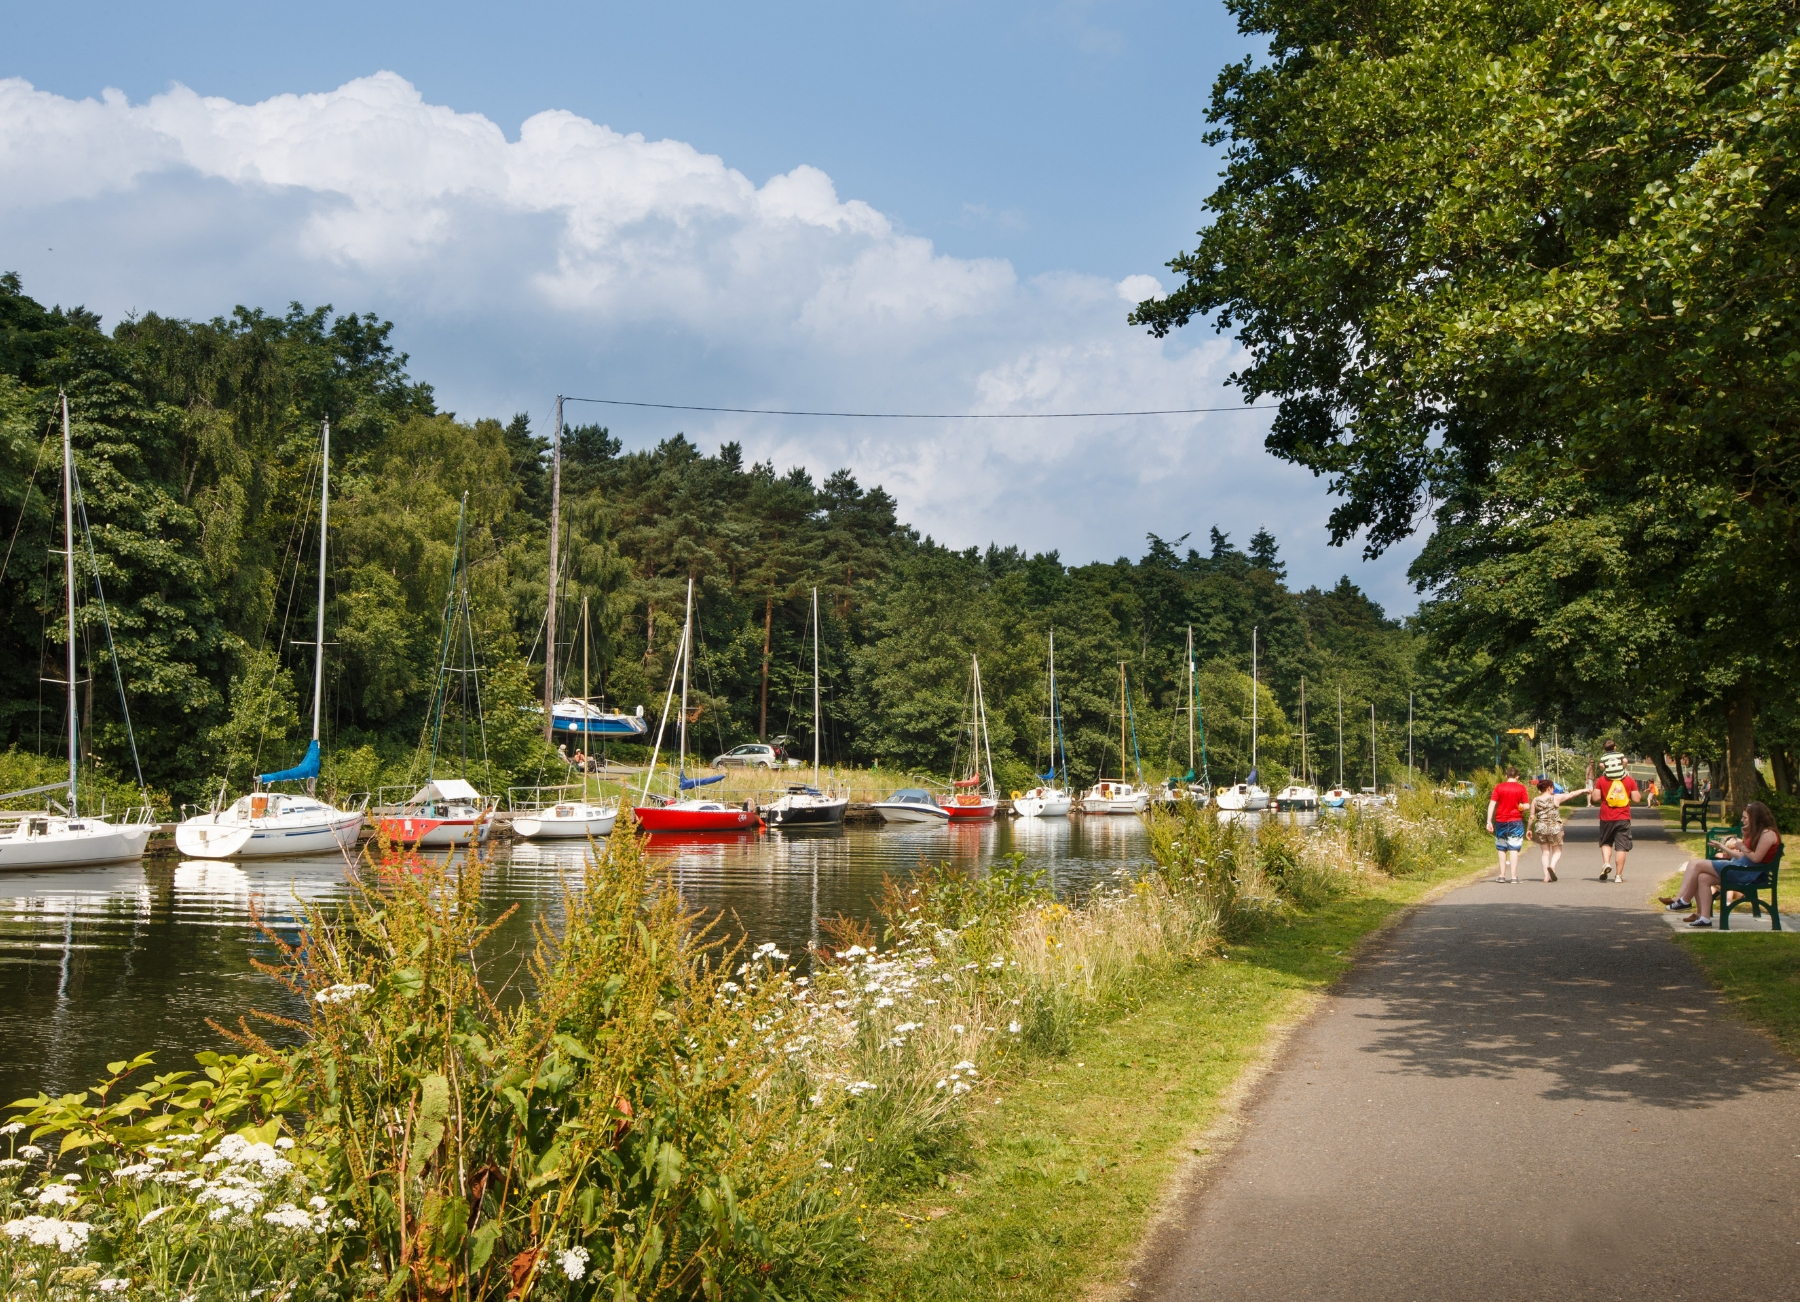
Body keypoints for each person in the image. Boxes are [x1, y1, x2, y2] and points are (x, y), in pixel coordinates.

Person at [1661, 800, 1781, 927]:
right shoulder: (1759, 833)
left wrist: (1742, 846)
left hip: (1749, 874)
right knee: (1703, 877)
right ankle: (1704, 918)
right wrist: (1741, 839)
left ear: (1756, 817)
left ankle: (1685, 900)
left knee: (1698, 865)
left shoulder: (1768, 834)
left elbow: (1755, 858)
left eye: (1745, 818)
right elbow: (1743, 856)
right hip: (1743, 869)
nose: (1742, 820)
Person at [1591, 740, 1639, 882]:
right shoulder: (1629, 780)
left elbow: (1595, 798)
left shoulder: (1602, 780)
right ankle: (1618, 876)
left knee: (1606, 843)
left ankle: (1606, 863)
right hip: (1623, 817)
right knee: (1621, 847)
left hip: (1606, 816)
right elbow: (1637, 799)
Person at [1526, 777, 1590, 882]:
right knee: (1557, 851)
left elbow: (1531, 817)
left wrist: (1529, 829)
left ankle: (1546, 877)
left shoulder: (1535, 800)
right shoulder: (1556, 798)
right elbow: (1571, 794)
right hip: (1554, 828)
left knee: (1545, 852)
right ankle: (1552, 866)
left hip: (1541, 828)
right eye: (1552, 787)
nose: (1553, 789)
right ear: (1549, 788)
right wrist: (1583, 790)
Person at [1487, 765, 1531, 883]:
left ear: (1506, 776)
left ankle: (1502, 876)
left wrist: (1489, 821)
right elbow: (1527, 805)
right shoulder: (1521, 788)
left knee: (1501, 847)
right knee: (1513, 848)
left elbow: (1492, 804)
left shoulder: (1499, 787)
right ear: (1517, 777)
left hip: (1500, 820)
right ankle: (1513, 877)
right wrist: (1521, 807)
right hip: (1515, 821)